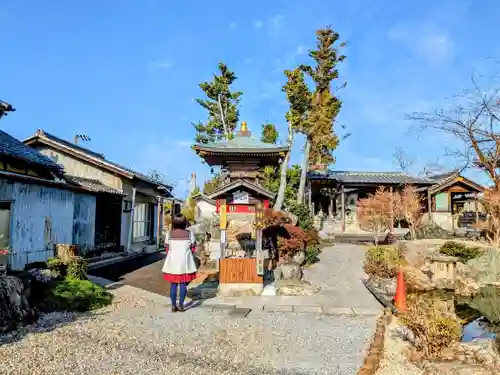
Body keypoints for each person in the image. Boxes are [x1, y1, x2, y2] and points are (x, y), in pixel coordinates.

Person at [162, 214, 198, 312]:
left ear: (174, 223)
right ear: (185, 223)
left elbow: (167, 248)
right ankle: (181, 305)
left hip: (172, 263)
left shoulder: (169, 234)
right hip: (185, 263)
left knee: (173, 285)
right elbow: (193, 247)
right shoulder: (189, 234)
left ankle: (173, 306)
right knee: (183, 284)